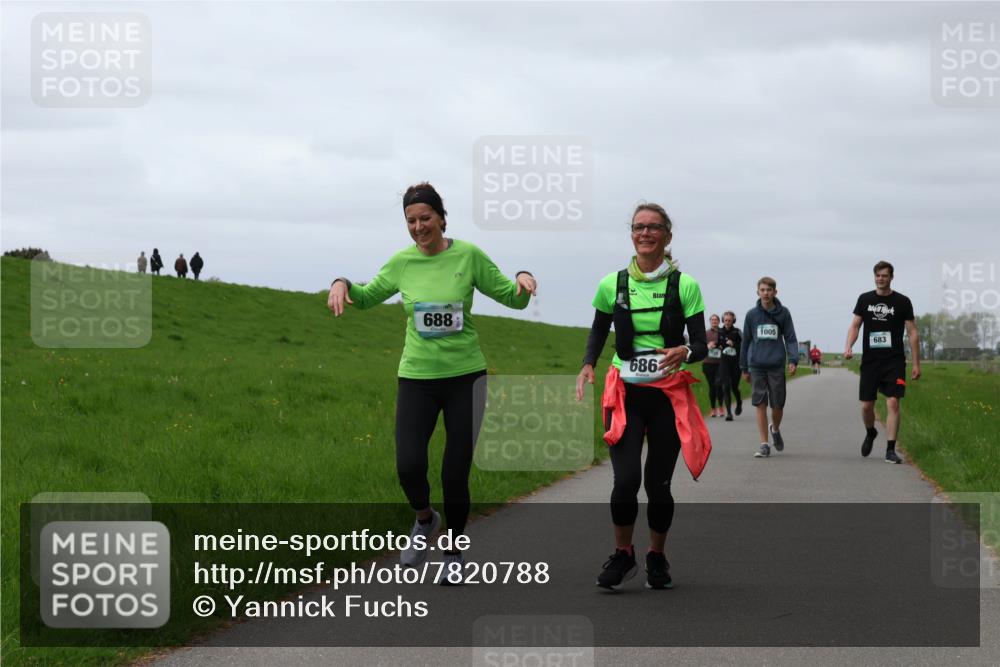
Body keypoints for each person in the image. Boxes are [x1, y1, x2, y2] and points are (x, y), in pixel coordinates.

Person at [327, 182, 536, 584]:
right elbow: (368, 296)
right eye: (411, 220)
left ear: (442, 217)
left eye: (425, 218)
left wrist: (523, 279)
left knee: (454, 472)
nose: (419, 227)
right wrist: (341, 282)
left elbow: (512, 297)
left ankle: (455, 551)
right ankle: (425, 520)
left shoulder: (468, 255)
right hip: (417, 378)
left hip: (465, 376)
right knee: (408, 465)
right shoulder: (402, 262)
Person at [576, 202, 710, 591]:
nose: (645, 233)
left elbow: (701, 343)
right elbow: (599, 331)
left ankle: (656, 555)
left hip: (667, 395)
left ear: (668, 236)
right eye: (639, 227)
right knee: (625, 480)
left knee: (658, 484)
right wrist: (588, 364)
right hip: (627, 393)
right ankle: (622, 554)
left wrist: (684, 351)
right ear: (631, 234)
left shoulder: (685, 285)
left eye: (654, 228)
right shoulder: (612, 283)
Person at [844, 261, 921, 464]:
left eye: (884, 275)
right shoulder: (865, 299)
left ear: (891, 277)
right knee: (867, 406)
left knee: (893, 402)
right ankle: (871, 432)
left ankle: (890, 449)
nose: (880, 278)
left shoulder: (903, 302)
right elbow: (855, 325)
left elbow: (913, 333)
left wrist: (916, 363)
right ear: (874, 276)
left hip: (894, 361)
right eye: (878, 275)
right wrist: (848, 346)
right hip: (870, 361)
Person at [740, 277, 798, 458]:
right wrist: (744, 367)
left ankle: (775, 428)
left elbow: (790, 337)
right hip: (756, 364)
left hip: (776, 365)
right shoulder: (751, 315)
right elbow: (746, 342)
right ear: (758, 292)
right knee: (760, 403)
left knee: (777, 405)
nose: (766, 293)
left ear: (775, 292)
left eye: (769, 290)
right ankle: (764, 444)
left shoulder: (783, 313)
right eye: (762, 290)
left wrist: (793, 359)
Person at [716, 310, 743, 420]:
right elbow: (718, 343)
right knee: (726, 386)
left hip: (736, 363)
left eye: (730, 320)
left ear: (733, 321)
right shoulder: (720, 331)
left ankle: (739, 402)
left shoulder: (737, 332)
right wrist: (715, 345)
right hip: (724, 362)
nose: (727, 322)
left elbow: (743, 345)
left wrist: (734, 344)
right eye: (726, 320)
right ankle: (729, 413)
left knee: (734, 387)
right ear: (723, 320)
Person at [704, 314, 724, 417]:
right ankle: (713, 409)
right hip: (708, 363)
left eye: (716, 320)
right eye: (712, 320)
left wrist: (720, 346)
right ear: (710, 321)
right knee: (711, 386)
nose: (714, 321)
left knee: (719, 385)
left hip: (720, 363)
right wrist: (708, 346)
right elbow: (701, 347)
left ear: (719, 321)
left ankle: (721, 407)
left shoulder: (722, 332)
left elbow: (726, 344)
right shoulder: (706, 333)